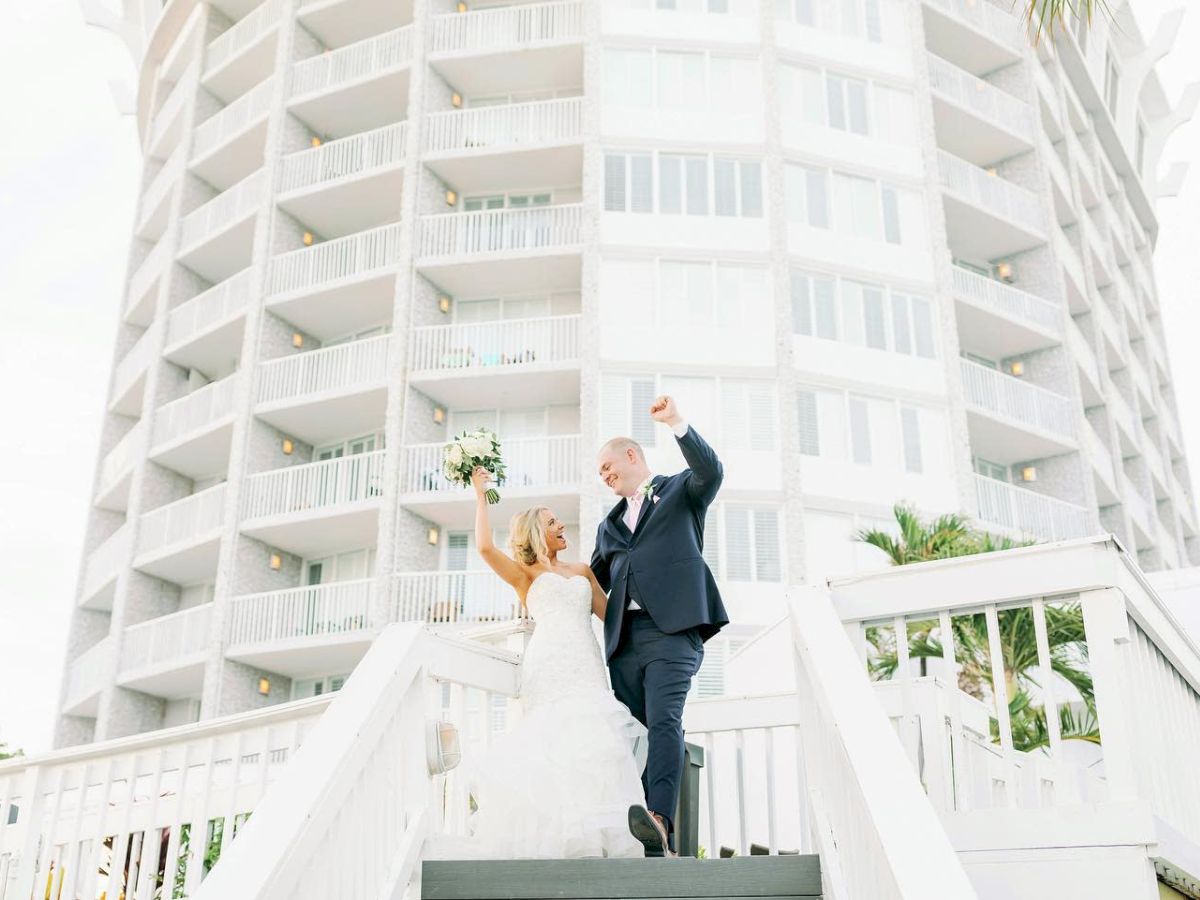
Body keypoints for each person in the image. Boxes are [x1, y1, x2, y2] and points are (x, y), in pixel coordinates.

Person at [463, 466, 647, 859]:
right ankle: (563, 842)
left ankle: (602, 841)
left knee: (595, 745)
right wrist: (481, 496)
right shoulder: (524, 575)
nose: (562, 525)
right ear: (536, 531)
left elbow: (611, 615)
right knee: (553, 746)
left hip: (585, 663)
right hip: (548, 665)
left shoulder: (581, 571)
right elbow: (484, 549)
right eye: (552, 522)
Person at [591, 394, 729, 857]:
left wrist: (677, 423)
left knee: (665, 722)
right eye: (601, 475)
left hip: (672, 632)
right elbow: (591, 582)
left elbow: (712, 472)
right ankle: (643, 837)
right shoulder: (608, 526)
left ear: (632, 455)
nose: (606, 477)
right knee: (635, 734)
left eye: (609, 467)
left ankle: (660, 820)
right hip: (624, 644)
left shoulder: (679, 492)